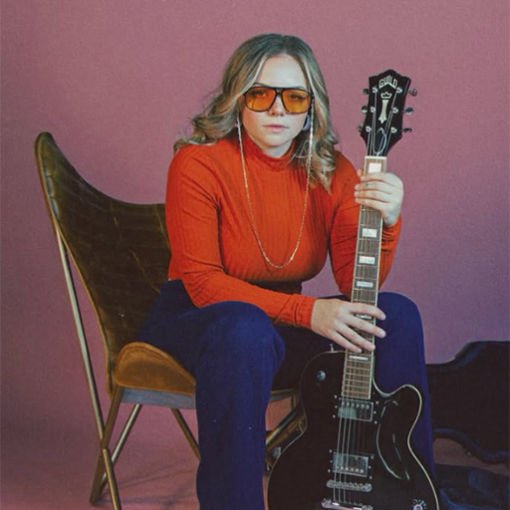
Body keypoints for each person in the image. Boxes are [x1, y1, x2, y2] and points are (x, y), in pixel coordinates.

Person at [139, 33, 434, 510]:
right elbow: (203, 282)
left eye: (294, 97)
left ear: (311, 106)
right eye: (261, 94)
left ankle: (413, 493)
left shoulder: (332, 171)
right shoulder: (197, 163)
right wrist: (309, 312)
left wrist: (389, 221)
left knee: (394, 314)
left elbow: (354, 283)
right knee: (244, 330)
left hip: (279, 326)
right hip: (200, 320)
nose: (277, 110)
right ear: (238, 98)